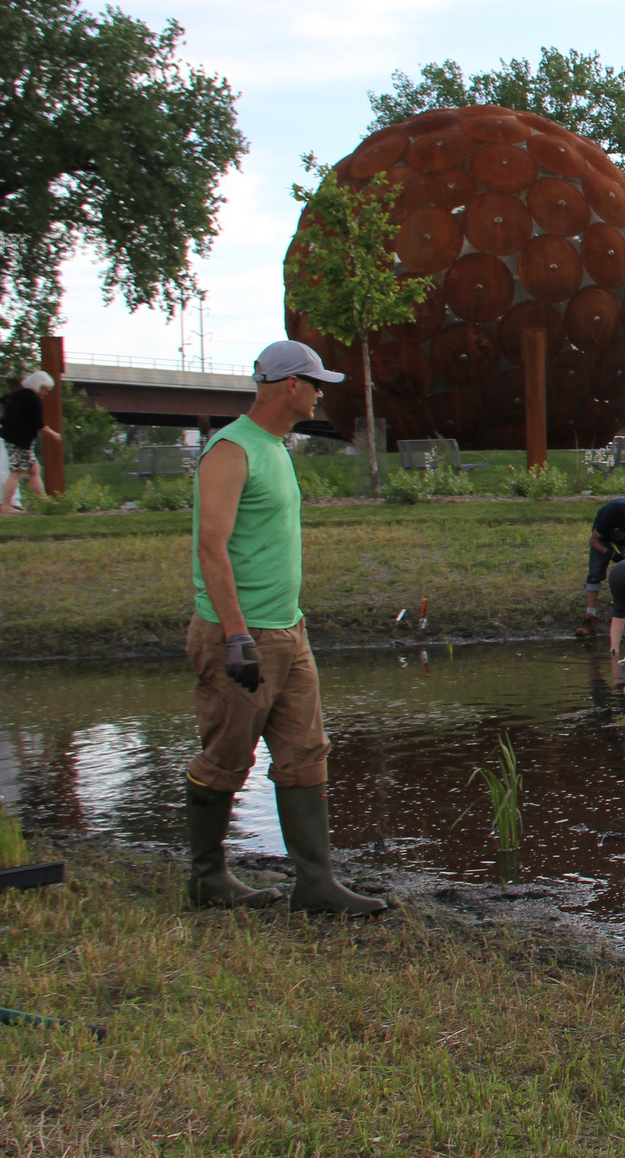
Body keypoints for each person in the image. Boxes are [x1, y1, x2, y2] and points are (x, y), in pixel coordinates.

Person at [184, 340, 385, 915]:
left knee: (306, 751)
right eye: (316, 383)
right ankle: (206, 877)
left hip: (288, 633)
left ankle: (315, 885)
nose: (323, 394)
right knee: (227, 759)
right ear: (290, 385)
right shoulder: (230, 450)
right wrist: (235, 635)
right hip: (242, 636)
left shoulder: (276, 448)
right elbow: (210, 547)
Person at [577, 496, 625, 638]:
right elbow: (594, 541)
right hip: (604, 539)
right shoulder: (612, 511)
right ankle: (589, 618)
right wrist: (612, 554)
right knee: (595, 574)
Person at [1, 370, 59, 514]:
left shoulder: (16, 395)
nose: (46, 393)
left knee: (34, 469)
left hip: (12, 438)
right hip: (20, 442)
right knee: (17, 473)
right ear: (40, 386)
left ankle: (44, 502)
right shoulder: (33, 400)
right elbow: (38, 424)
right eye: (46, 389)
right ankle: (6, 506)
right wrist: (53, 434)